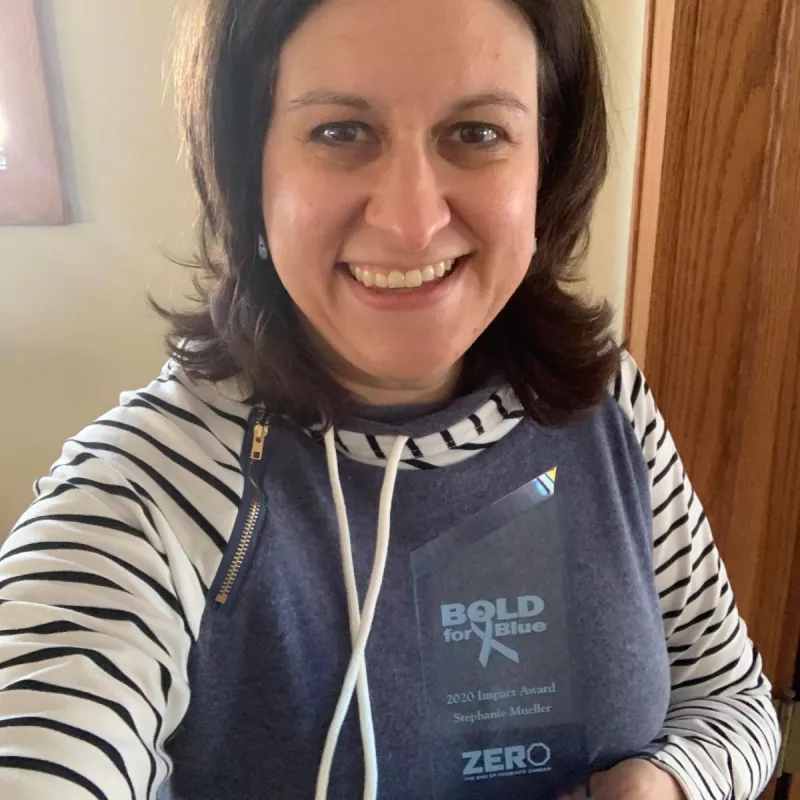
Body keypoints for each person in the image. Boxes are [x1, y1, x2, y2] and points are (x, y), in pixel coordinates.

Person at [0, 0, 780, 798]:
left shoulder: (607, 402)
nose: (411, 222)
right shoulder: (145, 494)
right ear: (250, 168)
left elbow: (733, 699)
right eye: (341, 131)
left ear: (546, 167)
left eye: (476, 132)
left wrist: (667, 784)